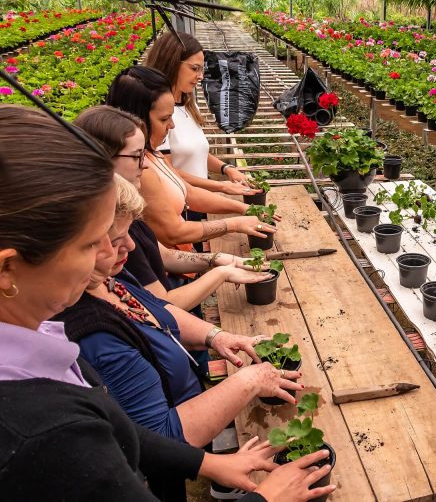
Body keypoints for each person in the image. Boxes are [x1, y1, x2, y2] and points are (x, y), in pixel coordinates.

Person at [0, 104, 334, 502]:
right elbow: (134, 429)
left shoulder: (46, 330)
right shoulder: (43, 431)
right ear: (8, 271)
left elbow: (118, 423)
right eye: (91, 243)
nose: (111, 254)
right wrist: (268, 499)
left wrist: (206, 465)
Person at [57, 176, 302, 500]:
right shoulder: (94, 336)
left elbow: (156, 308)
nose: (129, 246)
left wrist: (215, 335)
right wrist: (250, 381)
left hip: (187, 441)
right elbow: (161, 435)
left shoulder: (103, 277)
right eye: (114, 239)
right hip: (162, 464)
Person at [74, 105, 269, 311]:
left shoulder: (126, 212)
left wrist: (220, 259)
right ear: (102, 157)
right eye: (136, 156)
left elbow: (167, 256)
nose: (145, 164)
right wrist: (222, 272)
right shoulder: (109, 230)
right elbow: (161, 305)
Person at [106, 66, 277, 248]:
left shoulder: (153, 154)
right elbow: (173, 233)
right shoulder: (140, 169)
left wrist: (246, 208)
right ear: (136, 117)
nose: (171, 125)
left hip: (184, 261)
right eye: (164, 119)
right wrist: (233, 224)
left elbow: (190, 193)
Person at [145, 30, 257, 196]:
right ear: (172, 63)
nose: (200, 76)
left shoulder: (189, 105)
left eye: (202, 70)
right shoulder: (158, 114)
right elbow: (166, 172)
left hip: (199, 200)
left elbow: (197, 153)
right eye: (194, 69)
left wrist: (227, 169)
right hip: (180, 205)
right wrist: (221, 187)